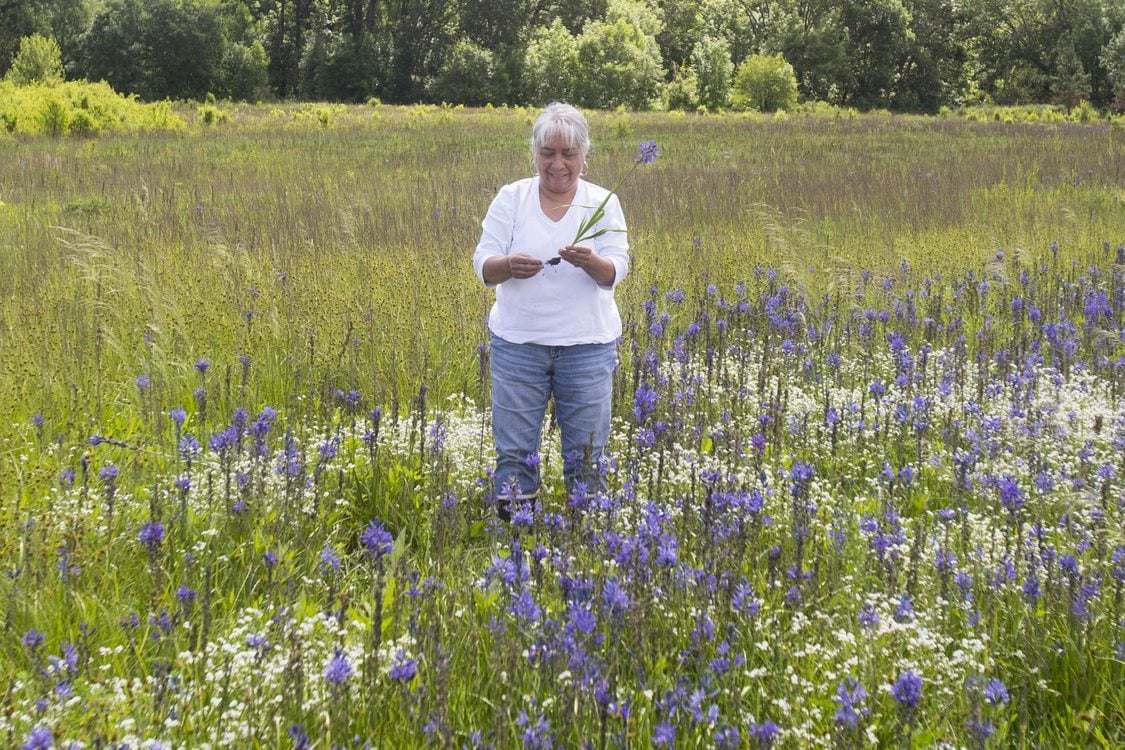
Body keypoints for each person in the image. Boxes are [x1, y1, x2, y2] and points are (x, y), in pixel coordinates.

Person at [473, 102, 630, 516]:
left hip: (587, 347)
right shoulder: (511, 198)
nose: (557, 164)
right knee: (514, 452)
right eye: (548, 153)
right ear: (535, 154)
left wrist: (591, 263)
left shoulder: (602, 202)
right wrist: (507, 267)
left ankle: (586, 538)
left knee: (587, 455)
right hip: (518, 346)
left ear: (583, 156)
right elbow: (483, 263)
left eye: (568, 154)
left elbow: (618, 266)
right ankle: (514, 541)